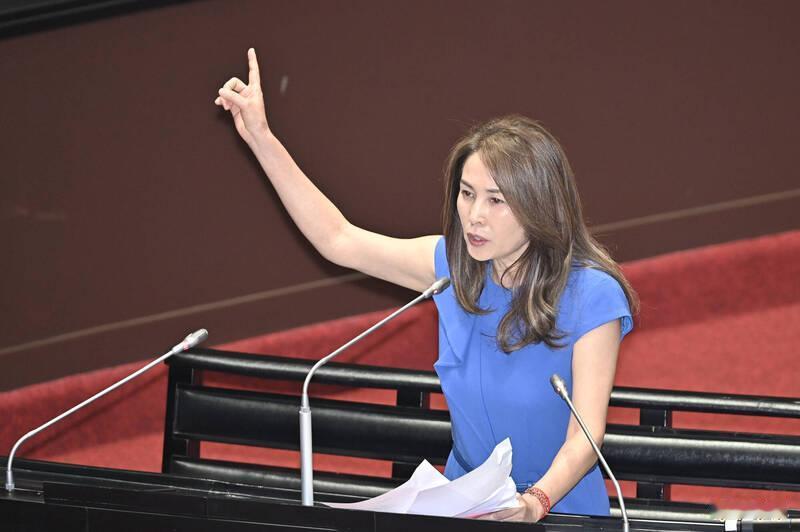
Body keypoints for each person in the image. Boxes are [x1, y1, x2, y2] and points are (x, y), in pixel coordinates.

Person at [215, 48, 638, 523]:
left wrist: (533, 504)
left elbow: (586, 435)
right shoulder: (452, 268)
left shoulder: (592, 295)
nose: (474, 216)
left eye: (496, 201)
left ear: (539, 206)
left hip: (558, 511)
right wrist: (262, 138)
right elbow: (338, 239)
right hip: (465, 506)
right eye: (467, 194)